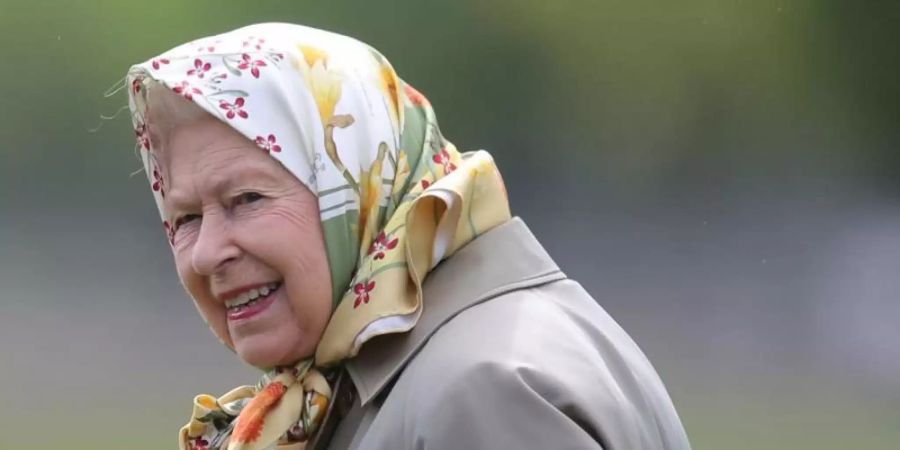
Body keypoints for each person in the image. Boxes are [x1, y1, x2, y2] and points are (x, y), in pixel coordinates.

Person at [125, 22, 691, 450]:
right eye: (185, 219)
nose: (206, 253)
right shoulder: (407, 377)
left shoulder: (479, 391)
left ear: (364, 190)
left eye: (246, 199)